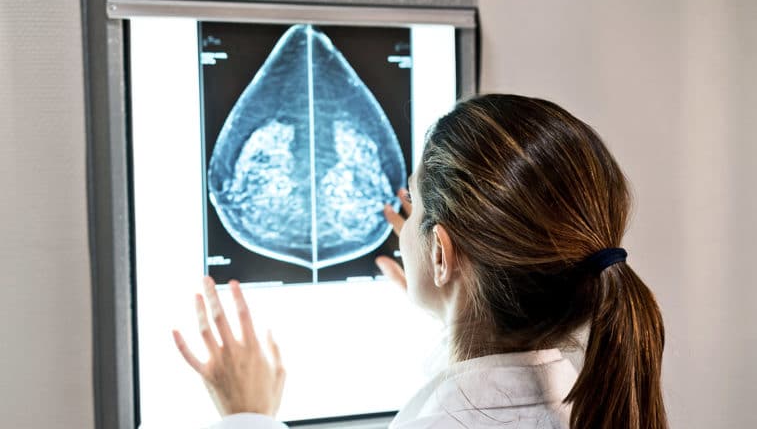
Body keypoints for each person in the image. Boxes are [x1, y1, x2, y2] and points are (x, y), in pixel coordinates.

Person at [172, 94, 668, 429]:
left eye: (414, 204)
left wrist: (247, 414)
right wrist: (447, 291)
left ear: (440, 252)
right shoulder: (588, 399)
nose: (403, 219)